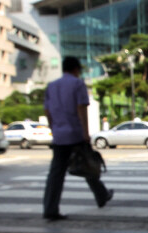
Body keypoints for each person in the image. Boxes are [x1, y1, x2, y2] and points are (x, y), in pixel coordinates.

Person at [42, 57, 113, 221]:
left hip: (59, 135)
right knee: (87, 165)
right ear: (76, 69)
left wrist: (53, 129)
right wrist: (86, 132)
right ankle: (101, 195)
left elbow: (47, 111)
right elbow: (81, 108)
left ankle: (50, 208)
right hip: (75, 132)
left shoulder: (51, 86)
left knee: (56, 173)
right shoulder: (77, 84)